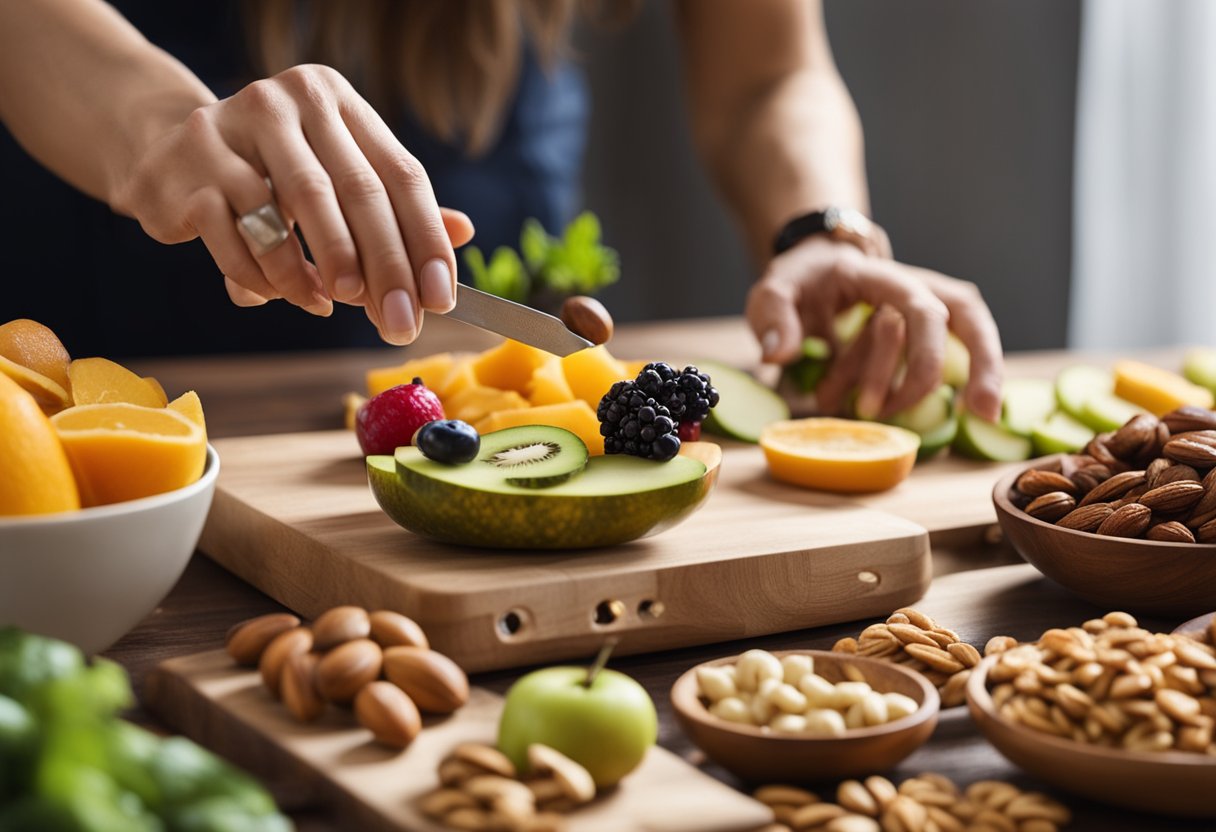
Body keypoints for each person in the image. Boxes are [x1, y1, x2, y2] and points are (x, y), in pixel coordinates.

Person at [0, 0, 1002, 421]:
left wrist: (816, 226)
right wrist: (156, 122)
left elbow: (768, 77)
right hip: (80, 367)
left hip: (474, 317)